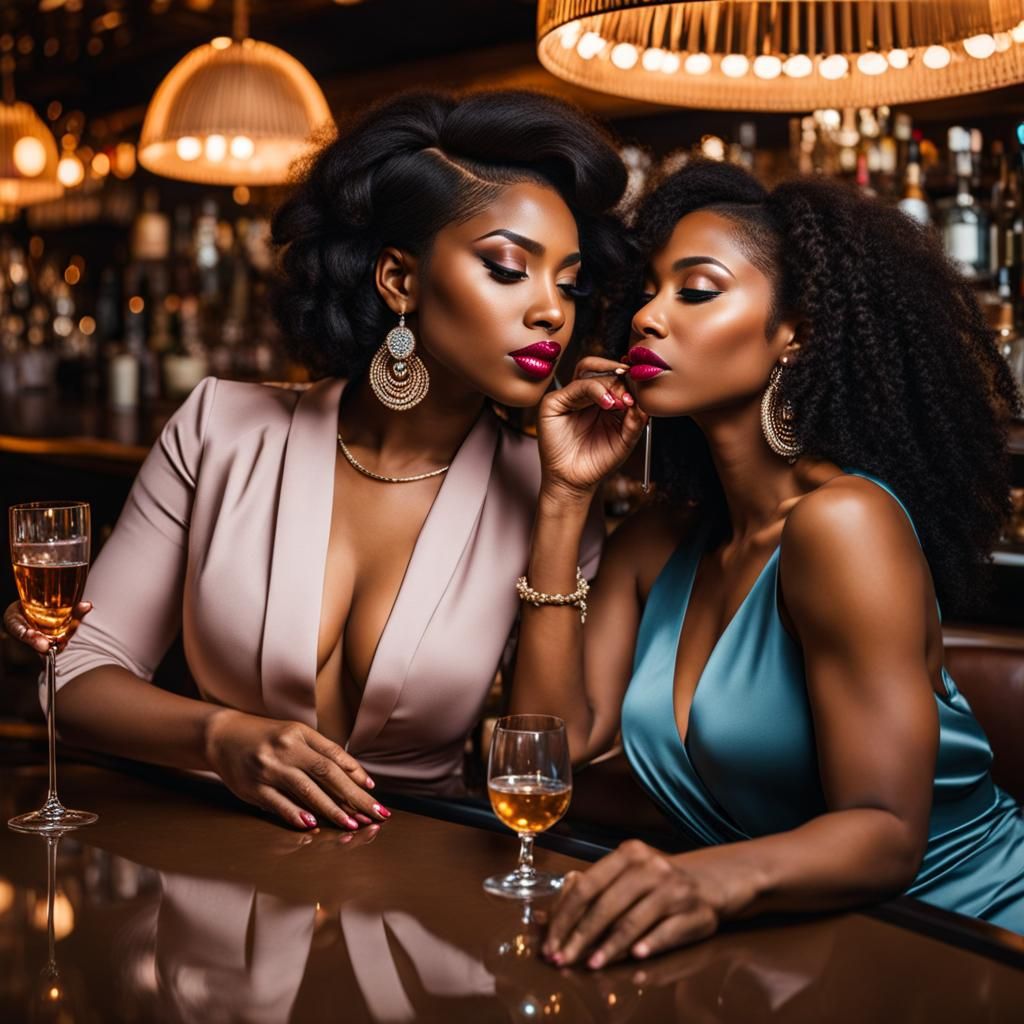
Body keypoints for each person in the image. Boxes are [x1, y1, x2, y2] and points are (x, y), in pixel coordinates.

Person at [3, 90, 624, 829]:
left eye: (569, 280)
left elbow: (545, 766)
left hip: (420, 886)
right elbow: (71, 676)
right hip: (212, 865)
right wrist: (220, 737)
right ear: (400, 280)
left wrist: (562, 502)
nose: (552, 310)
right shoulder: (220, 429)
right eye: (508, 268)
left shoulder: (548, 493)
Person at [510, 158, 1024, 966]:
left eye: (697, 289)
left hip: (962, 937)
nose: (646, 316)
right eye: (648, 289)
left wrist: (704, 881)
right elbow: (551, 751)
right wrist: (564, 497)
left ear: (798, 331)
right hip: (789, 949)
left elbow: (887, 833)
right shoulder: (659, 538)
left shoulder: (842, 524)